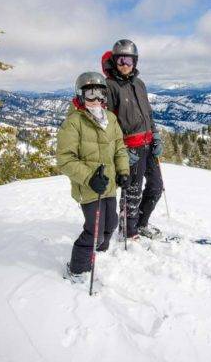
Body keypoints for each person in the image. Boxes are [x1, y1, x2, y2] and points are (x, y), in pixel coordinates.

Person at [57, 72, 130, 281]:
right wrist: (89, 177)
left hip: (108, 184)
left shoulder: (111, 119)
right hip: (89, 187)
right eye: (90, 94)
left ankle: (100, 251)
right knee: (94, 231)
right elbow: (65, 159)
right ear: (80, 96)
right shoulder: (74, 122)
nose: (96, 99)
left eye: (100, 93)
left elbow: (119, 149)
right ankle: (77, 268)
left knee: (111, 223)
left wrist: (123, 171)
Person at [101, 39, 163, 239]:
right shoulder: (110, 86)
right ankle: (129, 230)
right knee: (132, 192)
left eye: (128, 60)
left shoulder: (139, 83)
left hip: (148, 144)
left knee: (156, 186)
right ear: (114, 61)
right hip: (131, 148)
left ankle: (141, 223)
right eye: (120, 60)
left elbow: (148, 113)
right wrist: (121, 151)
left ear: (135, 61)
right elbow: (108, 123)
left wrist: (155, 135)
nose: (124, 65)